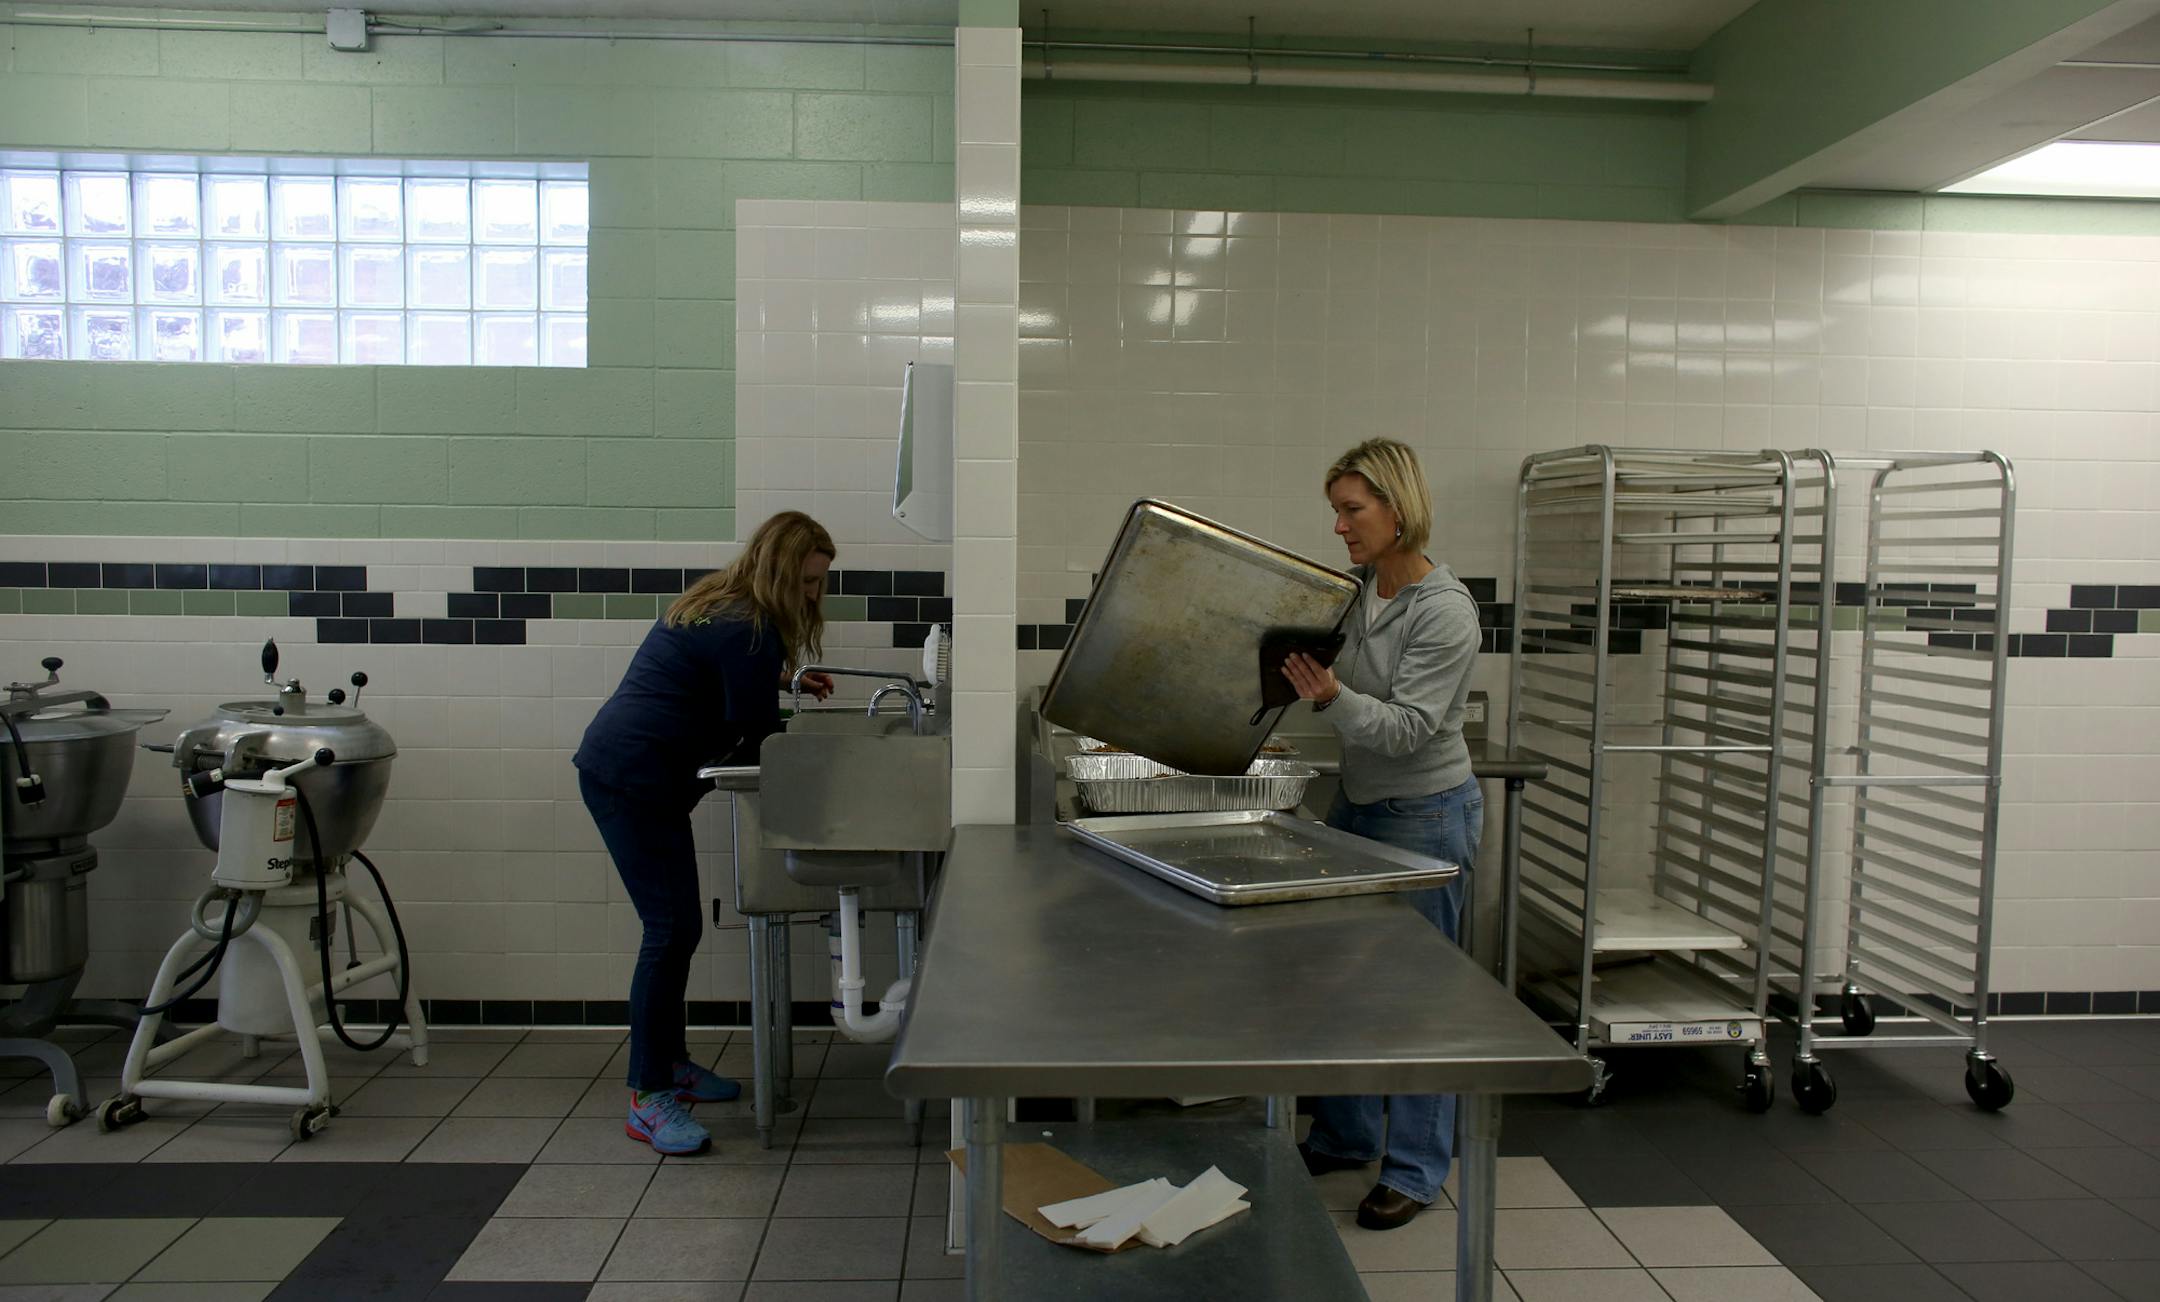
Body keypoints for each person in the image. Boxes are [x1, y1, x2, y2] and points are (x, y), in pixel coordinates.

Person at [574, 511, 837, 1155]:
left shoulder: (723, 601)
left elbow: (720, 674)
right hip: (632, 780)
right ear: (779, 572)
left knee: (675, 929)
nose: (813, 595)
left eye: (818, 582)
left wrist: (787, 679)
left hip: (632, 771)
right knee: (669, 932)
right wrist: (823, 778)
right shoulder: (747, 629)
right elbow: (757, 735)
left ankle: (672, 1065)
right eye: (807, 581)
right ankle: (648, 1095)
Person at [1280, 438, 1484, 1231]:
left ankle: (1415, 1169)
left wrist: (1330, 701)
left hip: (1425, 815)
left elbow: (1405, 729)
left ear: (1399, 510)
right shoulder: (1357, 591)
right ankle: (1345, 1133)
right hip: (1360, 806)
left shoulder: (1444, 611)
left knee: (1418, 998)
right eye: (1336, 509)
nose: (1339, 526)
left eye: (1352, 510)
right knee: (1340, 980)